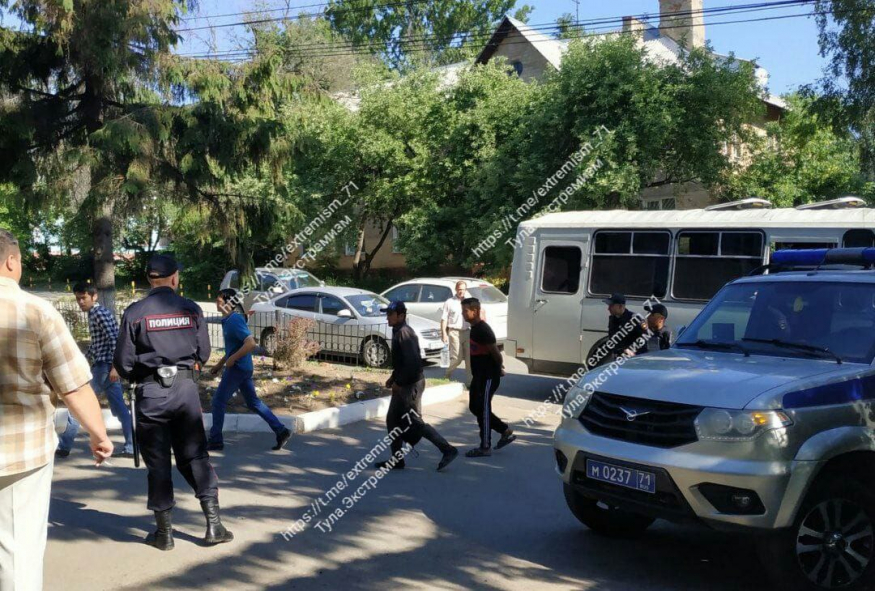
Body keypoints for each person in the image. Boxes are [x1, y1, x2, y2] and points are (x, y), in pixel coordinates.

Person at [0, 229, 112, 590]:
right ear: (11, 261)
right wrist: (98, 434)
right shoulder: (35, 312)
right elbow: (73, 386)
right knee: (17, 553)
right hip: (20, 453)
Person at [114, 254, 232, 551]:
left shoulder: (135, 313)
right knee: (195, 457)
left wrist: (143, 375)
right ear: (175, 278)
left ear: (149, 279)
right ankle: (214, 525)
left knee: (158, 464)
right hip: (185, 391)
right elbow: (203, 353)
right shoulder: (190, 309)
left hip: (151, 394)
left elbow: (123, 363)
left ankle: (164, 535)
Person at [374, 301, 458, 472]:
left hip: (410, 384)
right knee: (393, 420)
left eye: (390, 314)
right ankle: (397, 460)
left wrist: (399, 383)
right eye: (387, 314)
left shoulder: (404, 333)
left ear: (401, 316)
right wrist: (393, 378)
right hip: (404, 382)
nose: (387, 317)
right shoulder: (398, 330)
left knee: (414, 421)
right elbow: (402, 362)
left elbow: (412, 363)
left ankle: (447, 449)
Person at [56, 282, 135, 459]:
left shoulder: (99, 313)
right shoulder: (95, 313)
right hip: (105, 367)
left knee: (80, 404)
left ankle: (64, 446)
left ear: (94, 296)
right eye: (78, 299)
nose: (80, 302)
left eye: (83, 298)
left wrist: (115, 367)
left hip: (105, 368)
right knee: (120, 409)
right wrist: (83, 359)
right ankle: (131, 447)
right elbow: (98, 344)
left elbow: (115, 339)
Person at [208, 289, 291, 452]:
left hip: (238, 369)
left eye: (219, 301)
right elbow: (234, 347)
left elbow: (251, 343)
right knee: (253, 402)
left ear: (228, 303)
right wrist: (219, 365)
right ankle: (281, 430)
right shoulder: (227, 320)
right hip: (243, 368)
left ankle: (216, 440)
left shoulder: (234, 320)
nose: (216, 303)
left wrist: (232, 359)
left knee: (218, 402)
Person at [461, 297, 516, 458]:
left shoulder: (483, 330)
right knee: (475, 407)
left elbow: (497, 355)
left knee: (484, 410)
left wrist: (498, 368)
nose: (463, 314)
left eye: (465, 311)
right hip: (478, 376)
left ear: (475, 311)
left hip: (488, 377)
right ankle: (504, 430)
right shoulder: (474, 329)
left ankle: (485, 447)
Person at [440, 280, 473, 386]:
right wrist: (444, 333)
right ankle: (447, 374)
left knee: (469, 359)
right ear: (456, 289)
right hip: (454, 332)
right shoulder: (449, 302)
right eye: (459, 289)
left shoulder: (469, 301)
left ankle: (470, 383)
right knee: (457, 358)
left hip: (467, 332)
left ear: (465, 290)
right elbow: (444, 319)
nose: (461, 291)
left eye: (463, 289)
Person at [604, 293, 644, 358]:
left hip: (632, 358)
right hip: (618, 357)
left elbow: (644, 338)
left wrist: (632, 350)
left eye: (611, 306)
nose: (608, 308)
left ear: (620, 306)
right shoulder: (612, 319)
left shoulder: (634, 319)